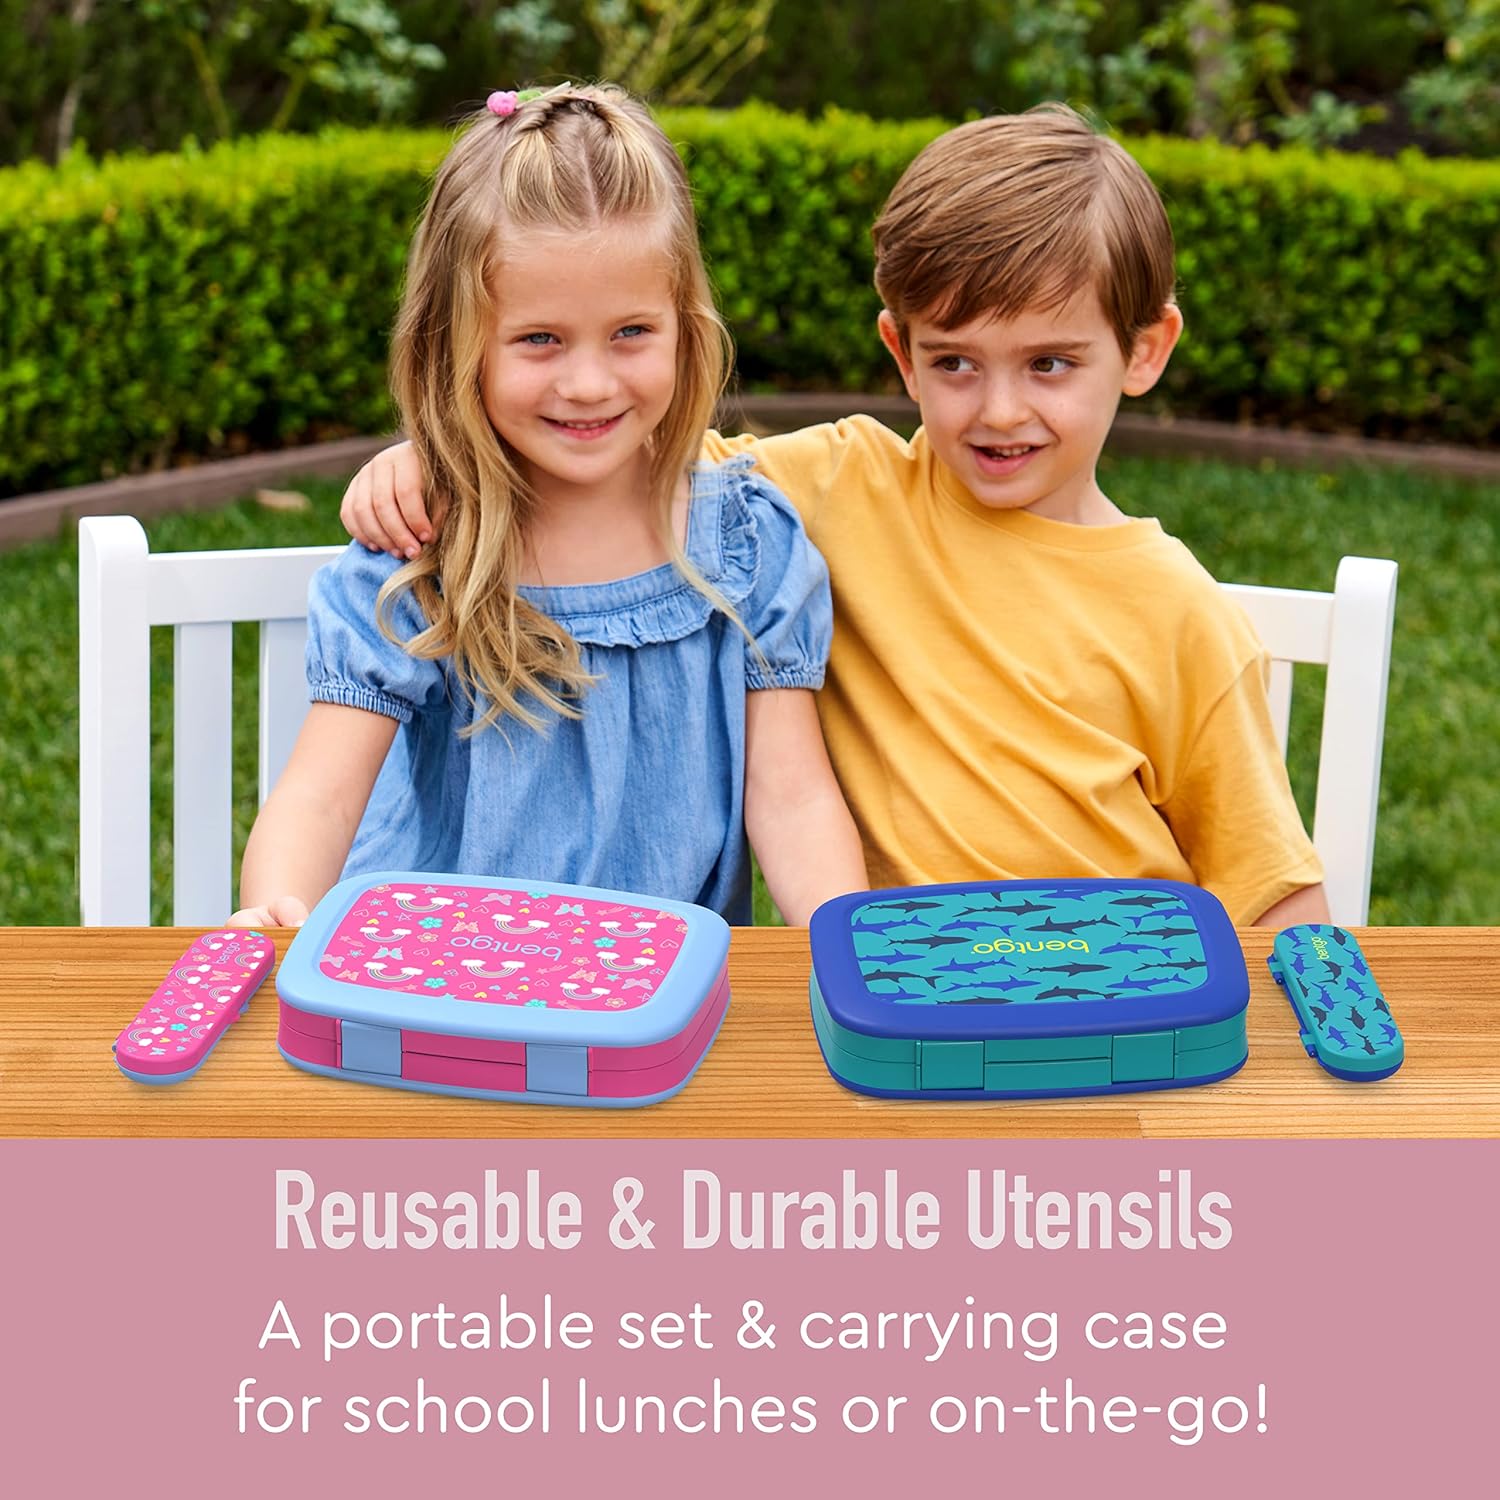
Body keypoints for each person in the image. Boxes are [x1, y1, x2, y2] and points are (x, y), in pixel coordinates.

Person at [339, 103, 1328, 927]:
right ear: (901, 351)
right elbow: (606, 446)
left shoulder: (1181, 615)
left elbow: (1275, 891)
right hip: (911, 993)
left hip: (1113, 988)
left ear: (1147, 351)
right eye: (955, 363)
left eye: (1051, 364)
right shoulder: (830, 487)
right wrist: (434, 456)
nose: (999, 409)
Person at [231, 83, 866, 931]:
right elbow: (320, 800)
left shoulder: (748, 549)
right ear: (454, 344)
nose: (590, 383)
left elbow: (791, 801)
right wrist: (274, 921)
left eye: (632, 333)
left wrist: (845, 946)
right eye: (540, 340)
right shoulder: (421, 555)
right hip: (433, 993)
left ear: (684, 325)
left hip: (657, 1011)